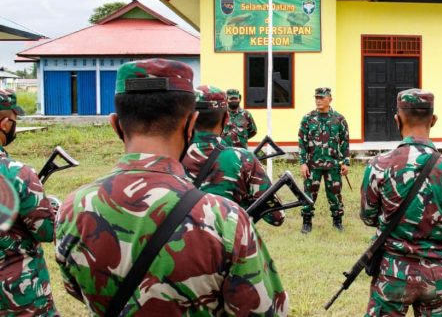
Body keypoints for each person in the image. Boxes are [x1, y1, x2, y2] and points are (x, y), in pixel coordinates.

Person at [55, 59, 288, 316]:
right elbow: (264, 309)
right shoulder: (227, 220)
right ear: (190, 125)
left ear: (115, 124)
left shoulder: (72, 209)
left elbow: (75, 288)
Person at [360, 89, 442, 317]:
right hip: (437, 276)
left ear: (397, 119)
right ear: (433, 120)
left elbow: (368, 216)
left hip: (392, 274)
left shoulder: (379, 165)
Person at [182, 85, 284, 226]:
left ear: (190, 118)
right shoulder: (245, 160)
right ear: (226, 119)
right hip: (228, 243)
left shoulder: (171, 157)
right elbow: (276, 216)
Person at [0, 88, 60, 316]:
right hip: (18, 296)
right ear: (5, 124)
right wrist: (52, 206)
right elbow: (46, 231)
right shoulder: (17, 174)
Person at [297, 87, 349, 233]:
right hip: (313, 165)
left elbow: (345, 142)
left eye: (322, 98)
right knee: (309, 194)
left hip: (333, 165)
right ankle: (306, 222)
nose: (318, 100)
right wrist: (302, 163)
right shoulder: (308, 118)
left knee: (335, 194)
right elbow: (302, 142)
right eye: (317, 98)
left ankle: (337, 222)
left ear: (330, 99)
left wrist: (345, 162)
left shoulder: (339, 119)